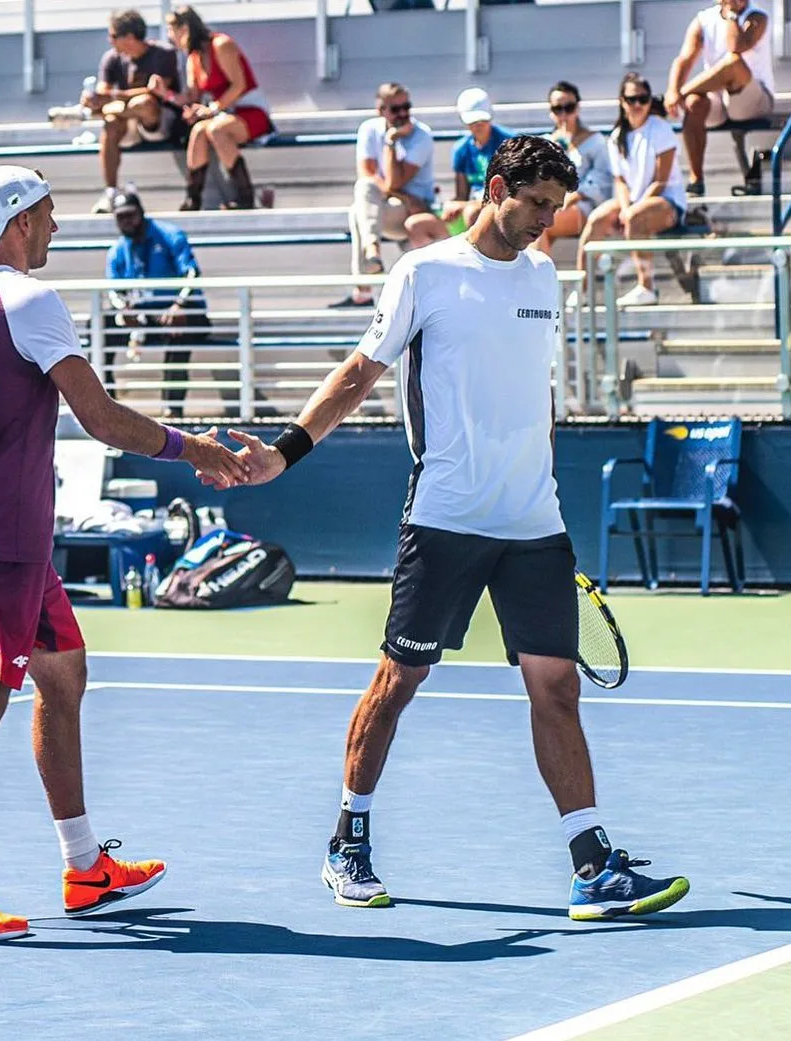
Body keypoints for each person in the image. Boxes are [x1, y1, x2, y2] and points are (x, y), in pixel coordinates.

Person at [213, 136, 690, 921]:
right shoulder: (424, 273)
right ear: (495, 187)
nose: (544, 221)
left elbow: (529, 396)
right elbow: (358, 374)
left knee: (556, 688)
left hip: (533, 522)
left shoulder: (543, 277)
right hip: (445, 517)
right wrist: (284, 453)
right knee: (398, 682)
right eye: (534, 202)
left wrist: (539, 489)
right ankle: (348, 840)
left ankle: (590, 865)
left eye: (555, 207)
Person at [0, 165, 247, 941]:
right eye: (46, 216)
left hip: (7, 539)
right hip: (3, 540)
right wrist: (193, 449)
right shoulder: (30, 299)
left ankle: (84, 866)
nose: (54, 229)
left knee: (64, 676)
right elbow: (101, 417)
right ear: (17, 222)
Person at [573, 75, 687, 309]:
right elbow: (620, 181)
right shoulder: (616, 137)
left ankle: (647, 287)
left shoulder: (661, 129)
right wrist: (625, 209)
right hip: (635, 200)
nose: (637, 105)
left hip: (667, 201)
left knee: (636, 218)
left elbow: (661, 180)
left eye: (643, 99)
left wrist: (631, 211)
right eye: (632, 99)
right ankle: (581, 288)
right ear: (622, 101)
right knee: (596, 219)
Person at [104, 189, 210, 418]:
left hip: (183, 309)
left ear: (141, 213)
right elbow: (113, 289)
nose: (126, 222)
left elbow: (192, 273)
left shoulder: (170, 235)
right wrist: (123, 309)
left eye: (130, 215)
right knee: (100, 326)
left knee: (178, 329)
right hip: (147, 315)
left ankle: (172, 408)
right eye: (120, 217)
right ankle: (104, 403)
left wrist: (179, 304)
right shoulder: (117, 250)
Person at [330, 82, 435, 310]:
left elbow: (394, 182)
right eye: (395, 109)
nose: (403, 114)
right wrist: (397, 193)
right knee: (363, 194)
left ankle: (364, 289)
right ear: (381, 110)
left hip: (413, 211)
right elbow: (367, 174)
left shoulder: (421, 135)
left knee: (359, 210)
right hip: (390, 206)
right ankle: (372, 252)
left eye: (406, 107)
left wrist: (391, 141)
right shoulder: (369, 129)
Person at [160, 5, 273, 210]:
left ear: (184, 28)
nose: (170, 37)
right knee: (198, 131)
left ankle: (245, 197)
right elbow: (192, 97)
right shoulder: (193, 58)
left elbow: (238, 85)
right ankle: (193, 198)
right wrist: (166, 94)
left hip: (250, 111)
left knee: (216, 129)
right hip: (224, 114)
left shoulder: (221, 44)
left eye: (171, 30)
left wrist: (212, 109)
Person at [665, 0, 774, 195]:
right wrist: (672, 89)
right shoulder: (703, 20)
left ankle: (683, 94)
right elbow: (684, 59)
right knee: (694, 103)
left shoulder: (757, 16)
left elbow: (736, 47)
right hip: (719, 101)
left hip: (753, 101)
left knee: (733, 63)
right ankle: (696, 180)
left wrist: (732, 14)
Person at [83, 9, 183, 213]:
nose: (109, 41)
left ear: (128, 37)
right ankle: (110, 192)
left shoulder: (163, 53)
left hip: (159, 123)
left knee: (143, 103)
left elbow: (156, 92)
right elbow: (103, 92)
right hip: (126, 124)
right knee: (111, 122)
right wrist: (94, 101)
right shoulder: (111, 58)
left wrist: (111, 100)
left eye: (112, 36)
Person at [405, 87, 511, 248]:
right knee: (416, 225)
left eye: (482, 120)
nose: (478, 125)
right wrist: (453, 204)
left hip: (497, 212)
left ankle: (477, 265)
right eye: (473, 121)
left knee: (473, 212)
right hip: (470, 209)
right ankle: (434, 270)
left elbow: (510, 192)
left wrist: (465, 205)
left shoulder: (508, 142)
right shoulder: (461, 149)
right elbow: (462, 195)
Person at [532, 81, 612, 257]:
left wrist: (575, 195)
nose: (563, 114)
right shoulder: (547, 143)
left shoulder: (595, 140)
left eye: (569, 108)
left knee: (540, 223)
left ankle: (550, 282)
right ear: (551, 112)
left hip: (584, 205)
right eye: (557, 109)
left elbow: (603, 178)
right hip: (553, 204)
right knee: (531, 221)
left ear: (577, 109)